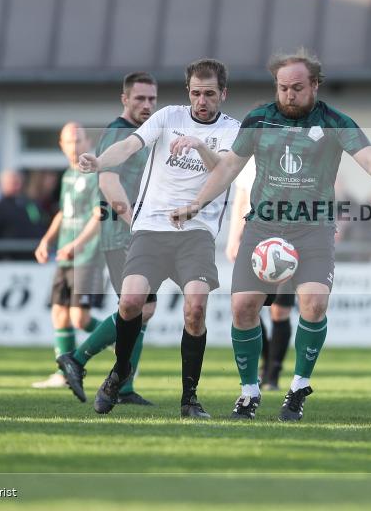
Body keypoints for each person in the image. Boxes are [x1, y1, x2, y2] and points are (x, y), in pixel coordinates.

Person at [170, 49, 371, 421]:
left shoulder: (335, 122)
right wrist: (197, 203)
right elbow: (230, 166)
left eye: (296, 88)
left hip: (313, 227)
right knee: (242, 307)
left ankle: (297, 387)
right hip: (262, 226)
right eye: (282, 88)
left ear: (314, 85)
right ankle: (249, 393)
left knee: (314, 303)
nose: (289, 95)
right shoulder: (259, 119)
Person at [63, 59, 241, 419]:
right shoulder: (168, 116)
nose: (201, 101)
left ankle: (189, 399)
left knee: (195, 309)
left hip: (196, 232)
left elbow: (222, 170)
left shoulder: (232, 129)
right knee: (131, 303)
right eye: (195, 93)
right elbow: (129, 145)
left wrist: (198, 145)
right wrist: (100, 161)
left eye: (209, 94)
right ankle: (118, 374)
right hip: (151, 228)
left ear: (223, 94)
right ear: (188, 91)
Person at [56, 72, 160, 407]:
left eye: (152, 99)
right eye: (139, 98)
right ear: (125, 99)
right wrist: (135, 222)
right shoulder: (118, 131)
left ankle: (124, 387)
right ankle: (77, 358)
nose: (147, 104)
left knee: (142, 311)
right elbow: (108, 182)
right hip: (121, 234)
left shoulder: (141, 134)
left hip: (136, 233)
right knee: (138, 308)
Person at [31, 123, 105, 389]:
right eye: (69, 141)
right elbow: (63, 213)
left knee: (80, 319)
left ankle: (123, 343)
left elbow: (100, 214)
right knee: (59, 314)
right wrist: (46, 240)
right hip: (65, 255)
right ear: (62, 146)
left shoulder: (96, 173)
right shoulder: (68, 175)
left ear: (87, 143)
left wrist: (77, 244)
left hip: (87, 256)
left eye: (78, 140)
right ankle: (64, 373)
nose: (74, 146)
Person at [225, 158, 294, 391]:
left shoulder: (293, 156)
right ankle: (265, 362)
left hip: (287, 239)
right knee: (249, 306)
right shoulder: (250, 160)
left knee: (280, 309)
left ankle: (273, 372)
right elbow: (241, 200)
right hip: (253, 237)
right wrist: (233, 239)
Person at [0, 169, 46, 261]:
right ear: (2, 185)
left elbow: (40, 224)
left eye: (17, 182)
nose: (15, 185)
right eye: (11, 182)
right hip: (7, 260)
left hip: (32, 259)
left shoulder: (30, 205)